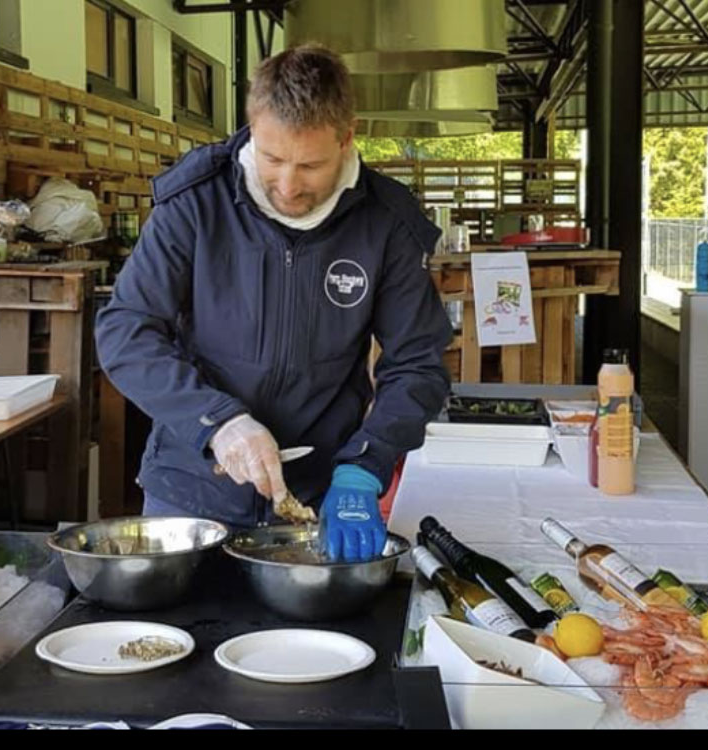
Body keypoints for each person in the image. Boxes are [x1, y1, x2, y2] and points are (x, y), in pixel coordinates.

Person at [95, 45, 452, 562]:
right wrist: (217, 422)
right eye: (272, 158)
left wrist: (366, 463)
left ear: (347, 137)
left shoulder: (386, 223)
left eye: (310, 165)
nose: (288, 186)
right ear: (252, 126)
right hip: (192, 488)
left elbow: (417, 364)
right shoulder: (195, 202)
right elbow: (126, 330)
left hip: (319, 492)